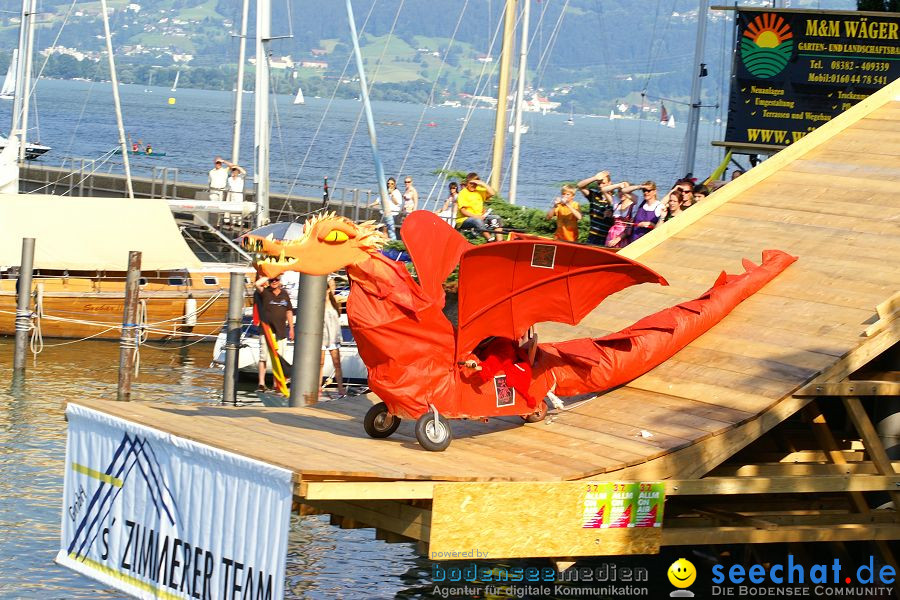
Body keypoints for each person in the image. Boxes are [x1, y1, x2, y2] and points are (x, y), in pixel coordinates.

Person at [254, 275, 294, 392]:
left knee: (279, 358)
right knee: (263, 357)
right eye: (272, 280)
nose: (274, 282)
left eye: (276, 279)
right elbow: (257, 284)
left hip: (281, 331)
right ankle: (261, 383)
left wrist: (291, 328)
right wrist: (269, 275)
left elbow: (289, 311)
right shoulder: (265, 292)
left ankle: (276, 384)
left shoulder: (284, 294)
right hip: (266, 331)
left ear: (280, 281)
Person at [576, 171, 629, 246]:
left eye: (603, 183)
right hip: (593, 235)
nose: (601, 186)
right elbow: (580, 186)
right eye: (599, 183)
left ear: (610, 183)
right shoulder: (594, 195)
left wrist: (611, 214)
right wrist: (595, 178)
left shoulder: (616, 199)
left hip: (607, 236)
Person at [456, 172, 503, 242]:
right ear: (467, 183)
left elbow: (492, 193)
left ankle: (500, 241)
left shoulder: (479, 191)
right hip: (464, 220)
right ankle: (490, 240)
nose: (472, 186)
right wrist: (477, 216)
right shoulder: (463, 193)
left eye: (474, 184)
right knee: (477, 221)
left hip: (480, 217)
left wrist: (482, 183)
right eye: (470, 184)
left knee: (496, 218)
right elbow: (463, 211)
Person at [321, 276, 346, 397]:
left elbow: (338, 316)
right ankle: (318, 387)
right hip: (323, 336)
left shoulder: (336, 301)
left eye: (334, 286)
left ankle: (340, 388)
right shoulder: (321, 302)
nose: (333, 288)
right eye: (331, 286)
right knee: (320, 363)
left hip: (334, 336)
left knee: (337, 364)